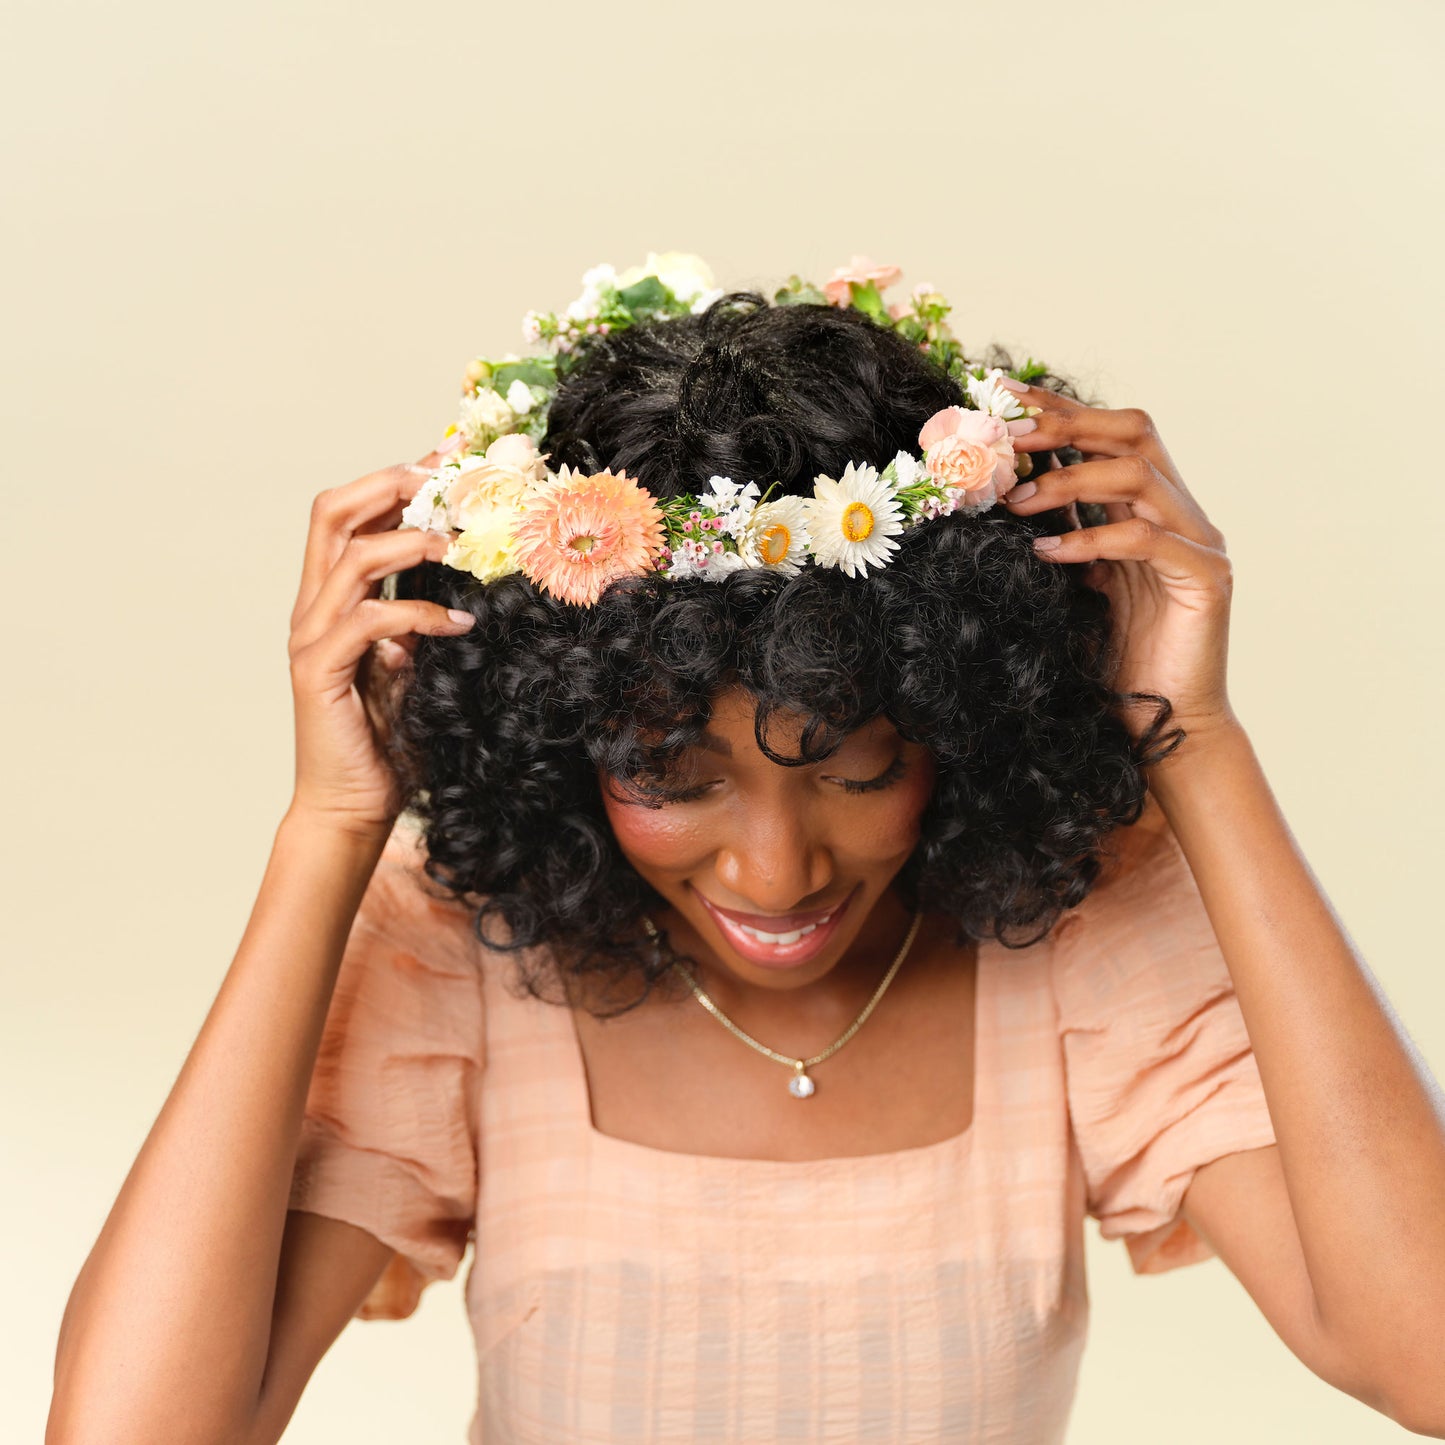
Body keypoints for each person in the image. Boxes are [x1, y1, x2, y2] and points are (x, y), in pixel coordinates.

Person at [48, 263, 1445, 1445]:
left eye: (856, 767)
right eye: (670, 777)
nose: (775, 874)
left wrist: (1189, 732)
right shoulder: (466, 945)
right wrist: (330, 827)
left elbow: (1421, 1352)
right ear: (558, 746)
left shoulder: (1072, 929)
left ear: (963, 717)